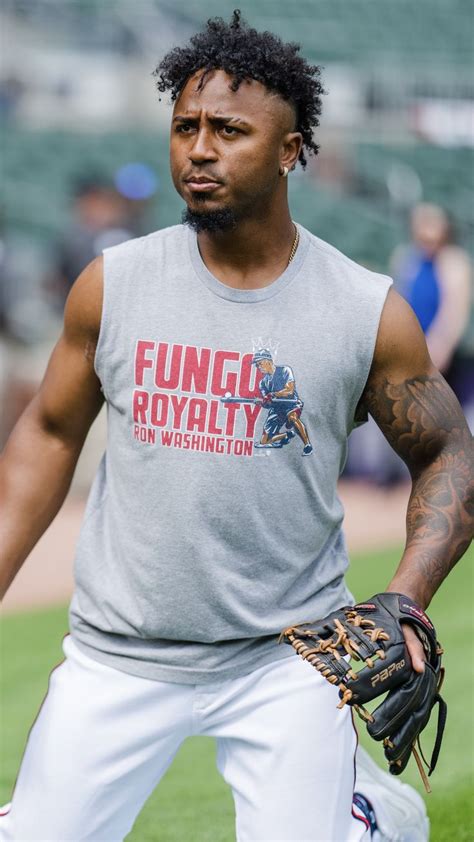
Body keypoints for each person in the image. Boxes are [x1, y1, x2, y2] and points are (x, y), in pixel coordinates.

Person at [0, 12, 472, 841]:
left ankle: (365, 819)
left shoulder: (365, 311)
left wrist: (407, 597)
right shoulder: (112, 285)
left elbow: (448, 453)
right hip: (120, 653)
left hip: (287, 657)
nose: (199, 149)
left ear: (291, 151)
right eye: (185, 126)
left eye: (229, 130)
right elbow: (46, 435)